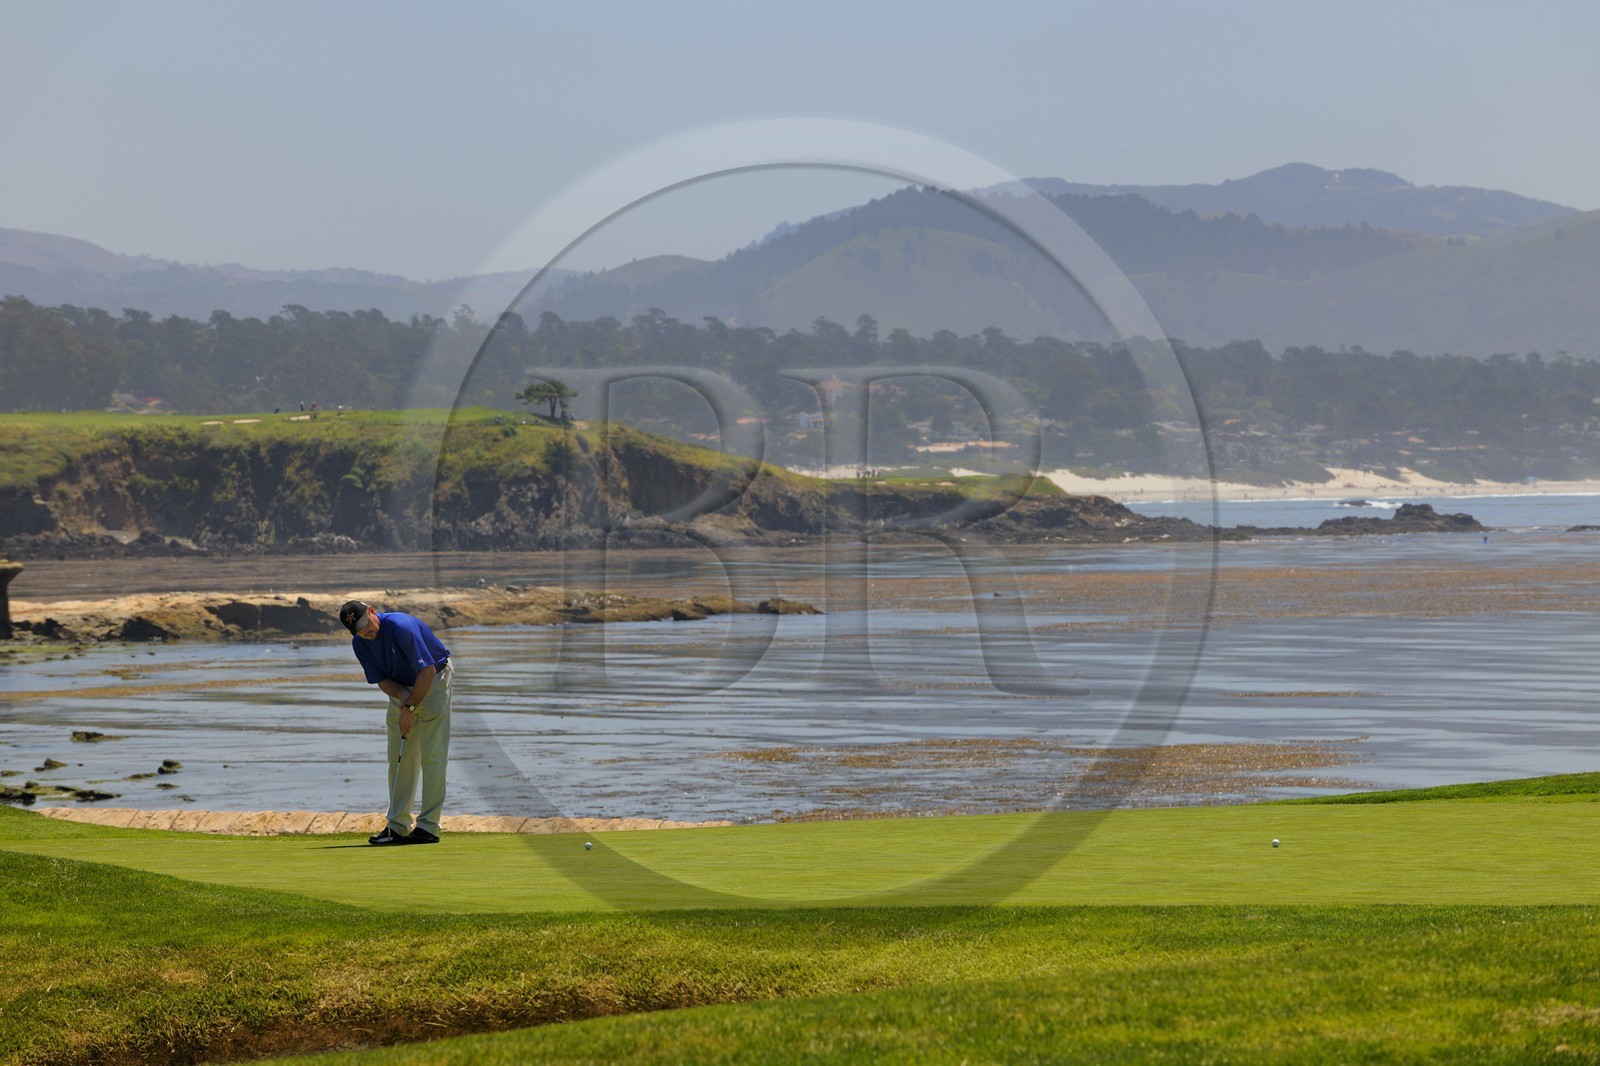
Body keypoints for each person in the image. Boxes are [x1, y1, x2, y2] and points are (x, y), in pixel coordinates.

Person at [339, 599, 453, 846]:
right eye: (358, 630)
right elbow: (381, 679)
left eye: (365, 624)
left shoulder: (401, 626)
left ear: (372, 611)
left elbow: (428, 671)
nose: (365, 632)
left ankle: (428, 827)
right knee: (399, 757)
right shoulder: (360, 643)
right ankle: (398, 826)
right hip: (401, 688)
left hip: (433, 682)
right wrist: (404, 701)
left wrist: (410, 707)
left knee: (432, 756)